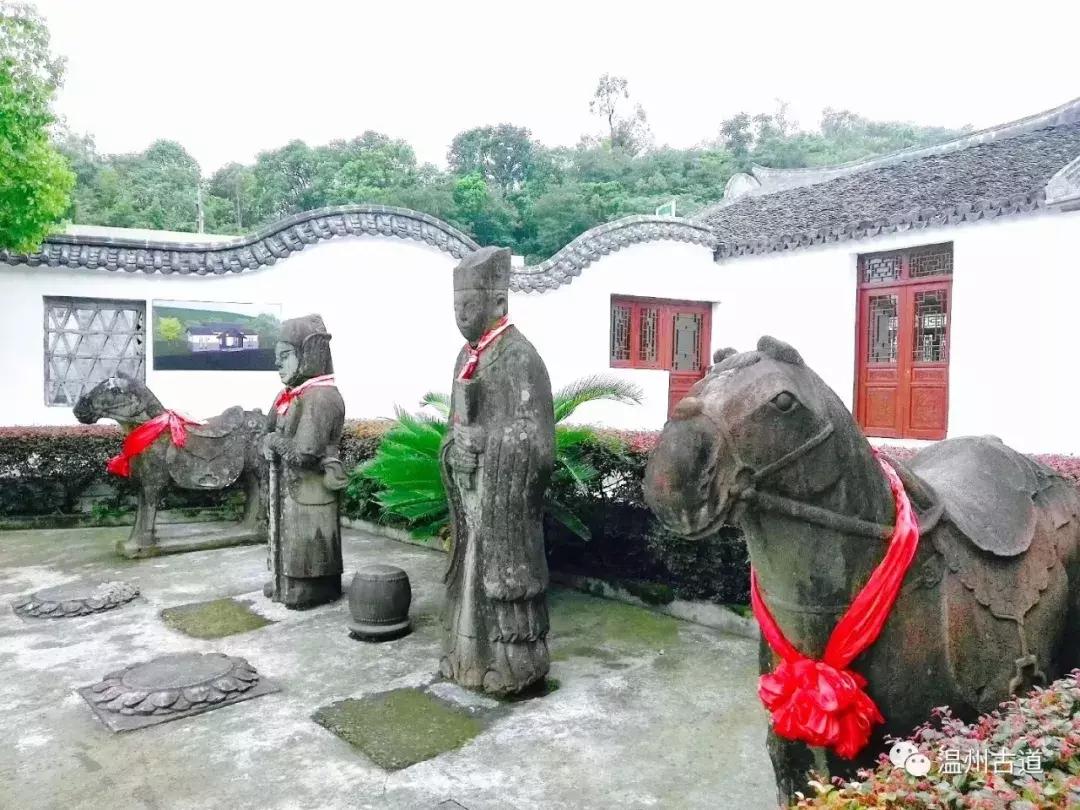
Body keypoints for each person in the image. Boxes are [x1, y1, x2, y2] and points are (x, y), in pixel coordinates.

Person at [440, 246, 555, 694]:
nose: (461, 316)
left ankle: (511, 668)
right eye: (456, 307)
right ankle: (463, 659)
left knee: (498, 579)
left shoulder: (520, 358)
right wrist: (455, 450)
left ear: (499, 304)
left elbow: (538, 441)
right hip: (473, 498)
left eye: (469, 305)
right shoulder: (464, 357)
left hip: (503, 503)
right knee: (466, 577)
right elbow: (452, 429)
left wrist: (489, 443)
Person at [263, 314, 347, 609]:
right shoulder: (292, 395)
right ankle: (286, 580)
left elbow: (304, 453)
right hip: (291, 489)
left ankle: (310, 586)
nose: (279, 365)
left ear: (309, 353)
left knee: (309, 547)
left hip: (311, 487)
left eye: (285, 356)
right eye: (278, 358)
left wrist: (274, 441)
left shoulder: (320, 397)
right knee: (289, 542)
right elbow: (269, 428)